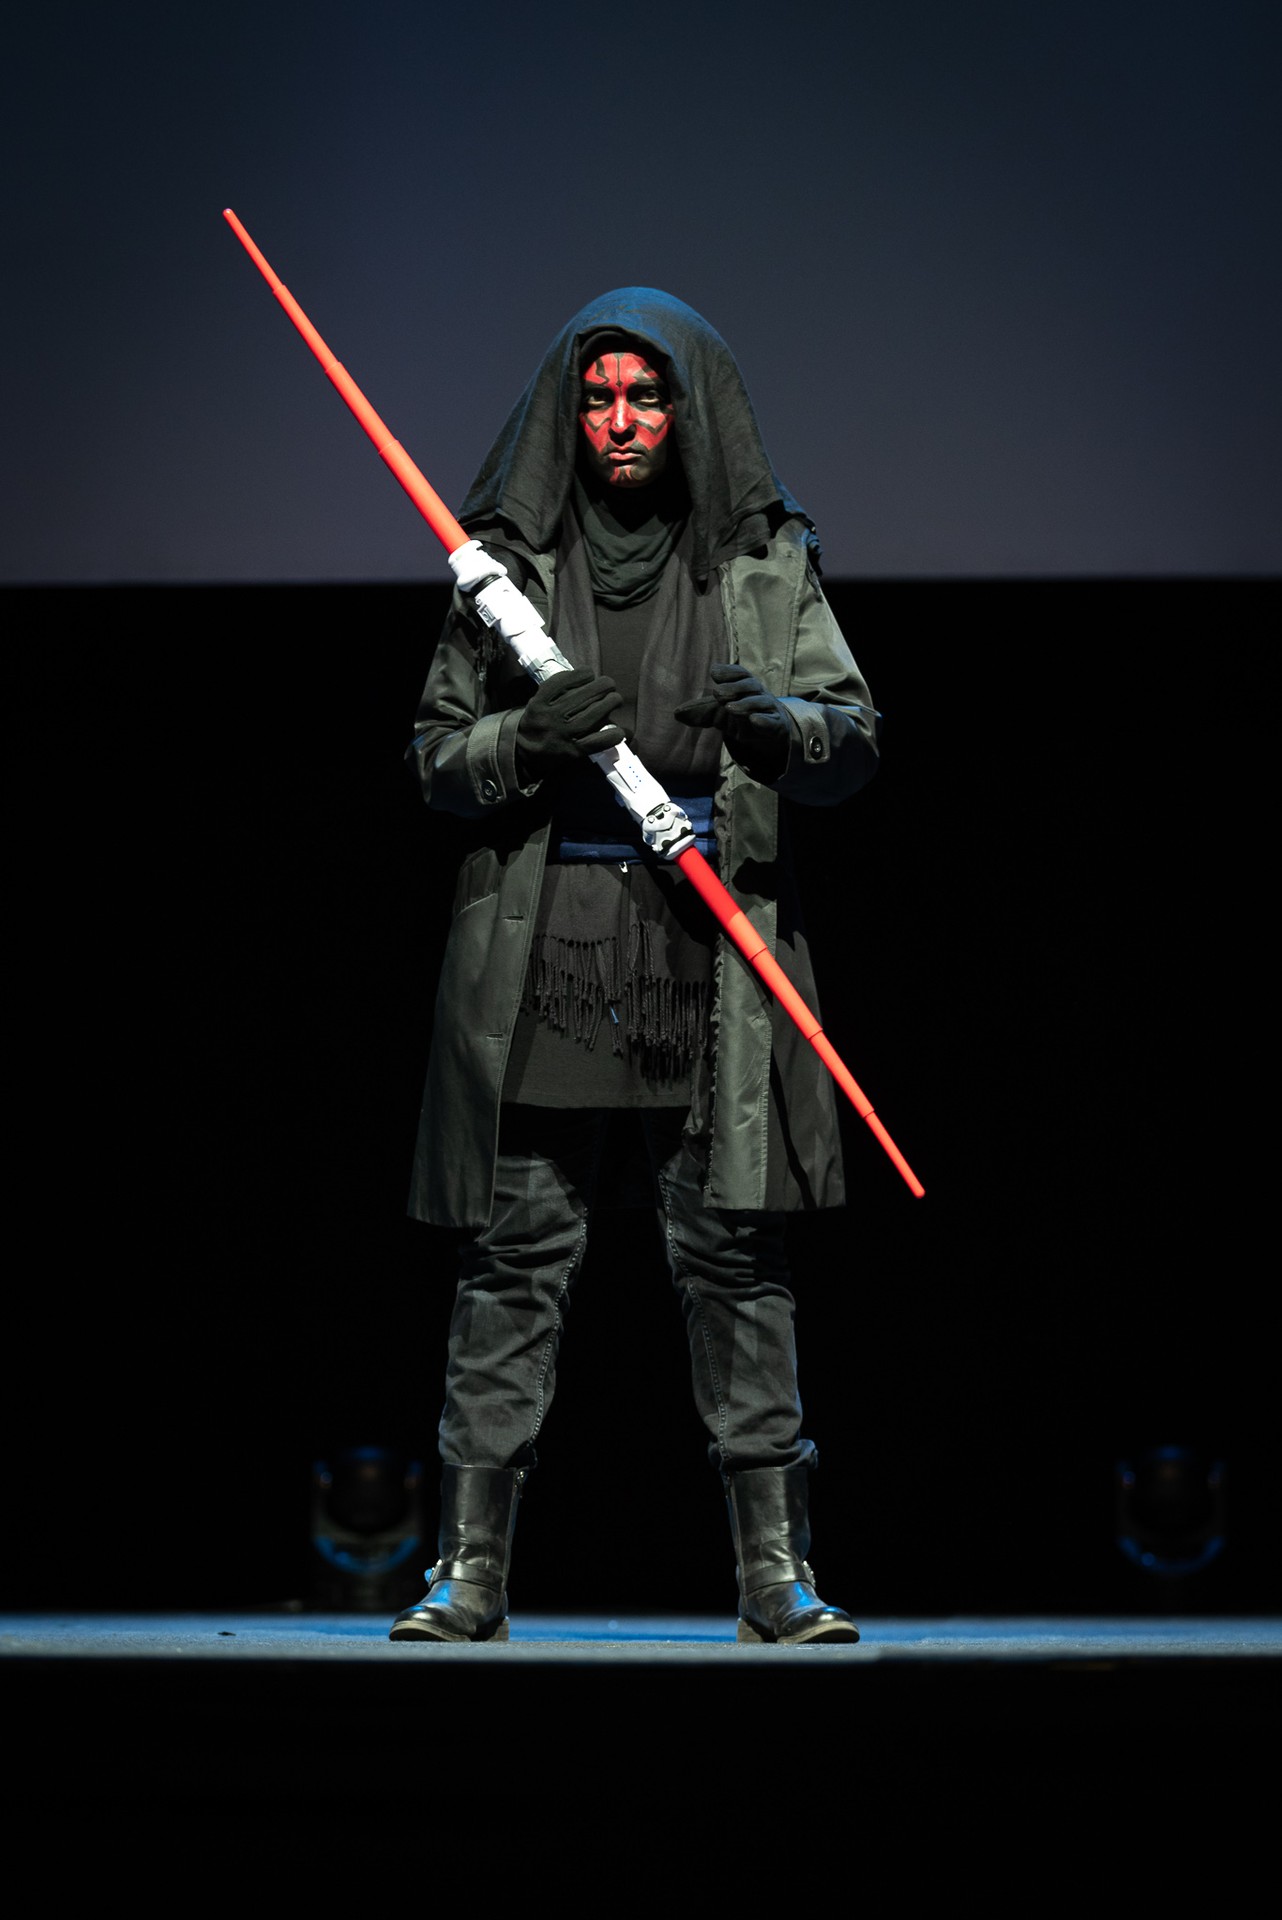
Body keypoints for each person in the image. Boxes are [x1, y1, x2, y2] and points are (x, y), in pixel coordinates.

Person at [390, 288, 879, 1645]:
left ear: (688, 412)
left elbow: (854, 737)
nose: (620, 421)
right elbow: (433, 758)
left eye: (646, 397)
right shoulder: (503, 569)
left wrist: (780, 726)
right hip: (543, 949)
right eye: (598, 397)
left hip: (705, 950)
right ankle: (468, 1573)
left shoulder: (763, 560)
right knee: (513, 1259)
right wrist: (525, 742)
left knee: (735, 1259)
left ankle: (775, 1576)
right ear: (568, 414)